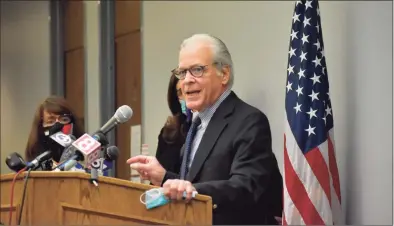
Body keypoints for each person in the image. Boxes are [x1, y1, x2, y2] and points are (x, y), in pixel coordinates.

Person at [127, 34, 283, 225]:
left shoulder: (249, 121)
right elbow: (200, 180)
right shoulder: (194, 124)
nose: (187, 80)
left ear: (224, 74)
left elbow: (245, 187)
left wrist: (190, 189)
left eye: (197, 70)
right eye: (182, 72)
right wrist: (164, 177)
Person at [25, 96, 84, 163]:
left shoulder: (84, 154)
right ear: (41, 128)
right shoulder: (33, 166)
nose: (58, 125)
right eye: (50, 121)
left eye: (64, 120)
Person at [155, 74, 192, 174]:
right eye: (180, 93)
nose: (185, 96)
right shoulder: (169, 131)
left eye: (188, 90)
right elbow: (159, 175)